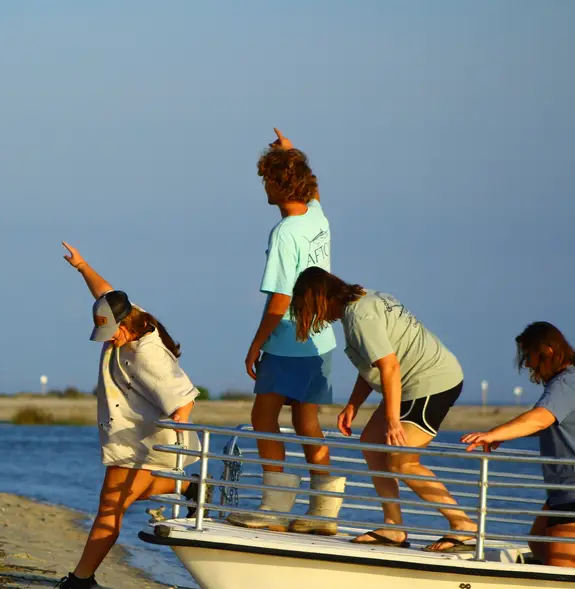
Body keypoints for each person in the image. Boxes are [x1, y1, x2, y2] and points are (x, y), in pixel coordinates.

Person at [290, 267, 478, 552]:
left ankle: (464, 526)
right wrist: (353, 405)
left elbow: (389, 366)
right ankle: (393, 526)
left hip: (430, 382)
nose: (314, 317)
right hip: (409, 383)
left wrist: (392, 421)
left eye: (308, 307)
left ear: (319, 298)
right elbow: (375, 363)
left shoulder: (359, 316)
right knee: (372, 444)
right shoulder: (363, 299)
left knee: (403, 462)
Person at [56, 242, 203, 589]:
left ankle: (80, 580)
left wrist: (182, 419)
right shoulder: (130, 314)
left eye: (112, 333)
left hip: (146, 438)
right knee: (119, 500)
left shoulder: (146, 355)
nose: (110, 340)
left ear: (125, 322)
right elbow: (105, 291)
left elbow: (184, 395)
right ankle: (190, 488)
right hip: (131, 435)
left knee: (110, 507)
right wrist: (82, 266)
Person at [227, 129, 346, 534]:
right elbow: (312, 191)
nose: (264, 185)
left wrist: (255, 345)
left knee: (263, 415)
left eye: (268, 179)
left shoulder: (284, 234)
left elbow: (279, 301)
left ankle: (274, 508)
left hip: (290, 338)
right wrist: (289, 152)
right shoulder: (318, 215)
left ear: (281, 184)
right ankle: (324, 512)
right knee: (306, 422)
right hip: (321, 337)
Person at [462, 322, 575, 567]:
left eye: (529, 355)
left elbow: (540, 418)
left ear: (548, 350)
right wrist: (506, 434)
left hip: (571, 495)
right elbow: (557, 426)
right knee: (538, 543)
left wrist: (492, 434)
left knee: (558, 574)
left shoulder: (566, 382)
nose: (527, 364)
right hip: (561, 493)